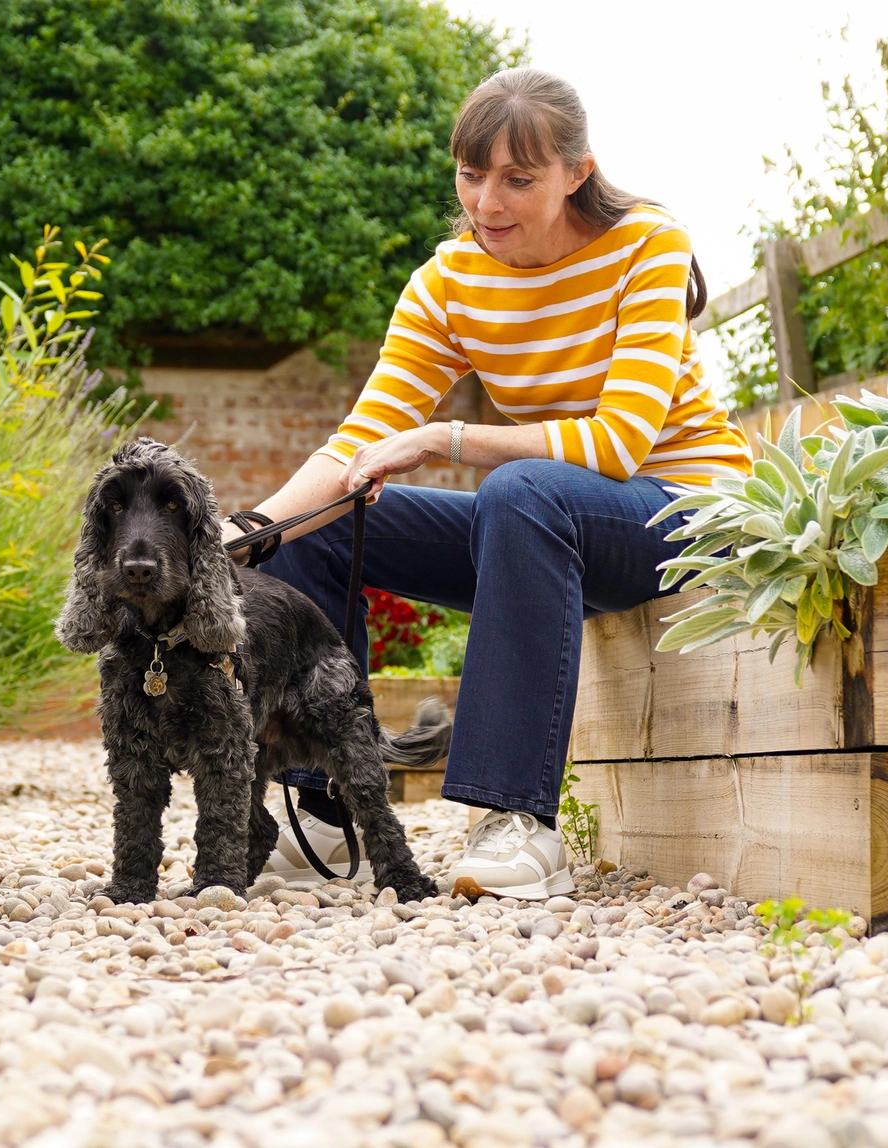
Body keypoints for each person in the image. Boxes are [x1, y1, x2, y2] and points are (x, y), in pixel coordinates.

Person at [228, 67, 752, 900]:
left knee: (522, 489)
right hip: (544, 524)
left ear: (577, 172)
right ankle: (321, 807)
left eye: (518, 179)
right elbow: (358, 443)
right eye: (472, 176)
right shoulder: (449, 281)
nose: (487, 203)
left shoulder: (648, 245)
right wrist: (246, 533)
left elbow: (619, 445)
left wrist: (446, 437)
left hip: (682, 517)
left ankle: (518, 822)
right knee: (323, 519)